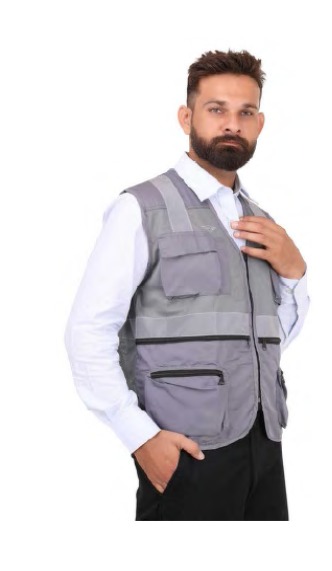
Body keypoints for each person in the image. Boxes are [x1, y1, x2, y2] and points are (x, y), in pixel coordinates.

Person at [64, 49, 310, 521]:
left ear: (260, 124)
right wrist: (140, 438)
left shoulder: (262, 221)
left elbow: (268, 340)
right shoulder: (141, 208)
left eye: (246, 113)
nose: (232, 124)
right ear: (186, 117)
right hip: (186, 452)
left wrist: (295, 273)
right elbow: (87, 331)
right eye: (217, 109)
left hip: (264, 446)